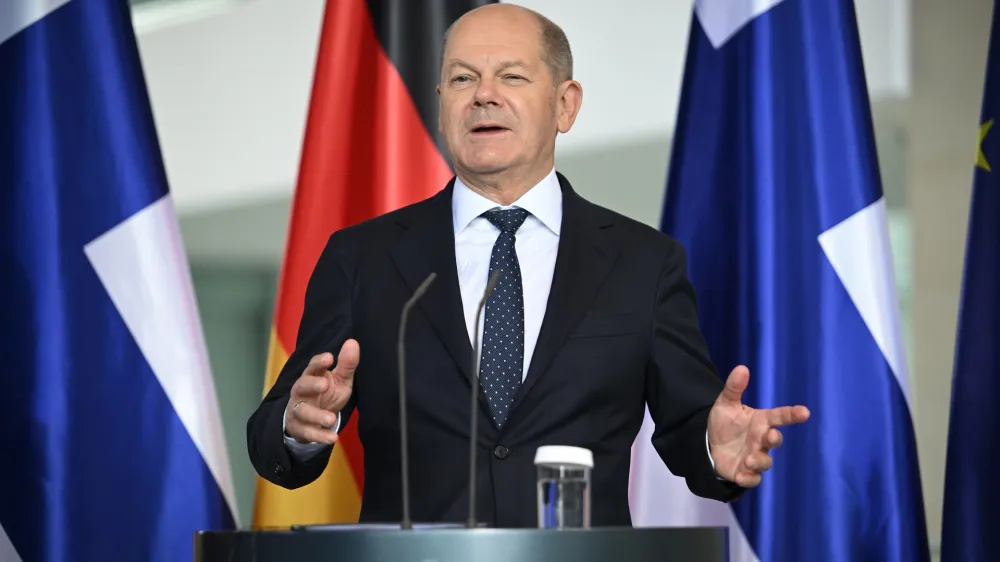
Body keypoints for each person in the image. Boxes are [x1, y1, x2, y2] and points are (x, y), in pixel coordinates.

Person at [246, 3, 810, 528]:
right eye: (462, 79)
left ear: (565, 105)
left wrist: (714, 445)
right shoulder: (363, 258)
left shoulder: (644, 263)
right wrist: (298, 426)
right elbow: (273, 432)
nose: (483, 96)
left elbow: (688, 423)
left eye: (512, 77)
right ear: (440, 102)